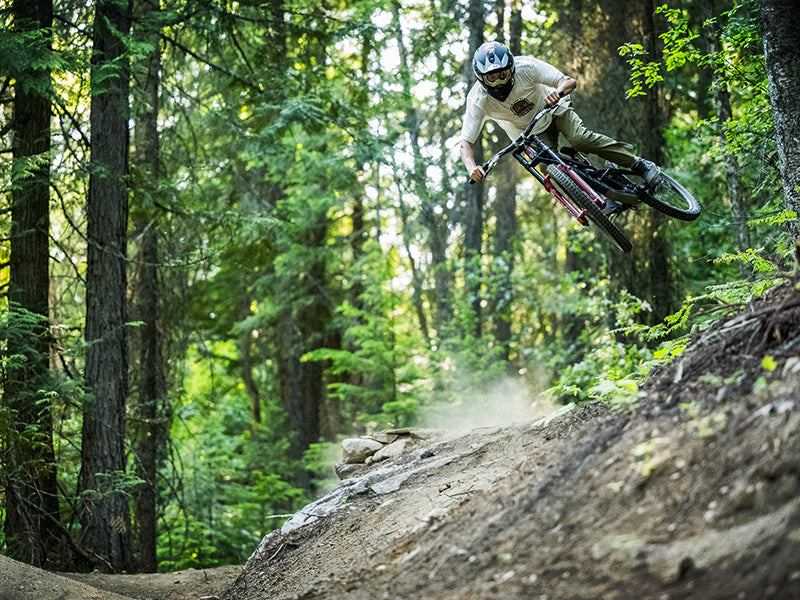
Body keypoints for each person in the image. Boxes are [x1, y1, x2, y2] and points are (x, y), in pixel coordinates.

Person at [459, 41, 660, 189]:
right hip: (530, 134)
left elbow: (568, 81)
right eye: (491, 78)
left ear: (511, 68)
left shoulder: (526, 67)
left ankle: (639, 164)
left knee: (580, 139)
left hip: (554, 109)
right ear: (481, 78)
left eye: (502, 74)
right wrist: (471, 168)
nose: (498, 82)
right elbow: (465, 142)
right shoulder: (478, 100)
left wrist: (558, 92)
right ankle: (596, 199)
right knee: (550, 170)